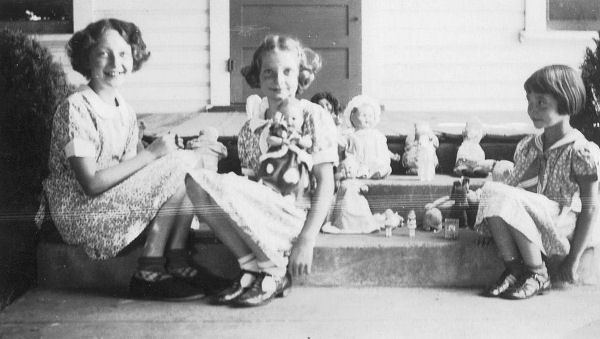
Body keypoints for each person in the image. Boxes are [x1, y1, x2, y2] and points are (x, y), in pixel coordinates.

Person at [41, 18, 229, 301]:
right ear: (87, 58)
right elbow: (90, 183)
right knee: (180, 164)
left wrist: (185, 151)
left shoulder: (124, 111)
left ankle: (177, 262)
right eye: (104, 53)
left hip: (110, 200)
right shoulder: (76, 109)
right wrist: (153, 154)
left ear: (134, 57)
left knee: (189, 164)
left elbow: (135, 173)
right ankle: (148, 272)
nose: (116, 62)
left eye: (124, 53)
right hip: (80, 211)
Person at [185, 34, 338, 307]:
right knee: (194, 181)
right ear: (258, 75)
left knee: (223, 185)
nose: (278, 81)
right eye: (269, 72)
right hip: (263, 213)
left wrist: (307, 239)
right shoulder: (250, 128)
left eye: (288, 71)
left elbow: (326, 182)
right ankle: (250, 267)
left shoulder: (314, 116)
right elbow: (252, 186)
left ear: (301, 74)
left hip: (297, 215)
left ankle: (275, 271)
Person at [475, 65, 600, 299]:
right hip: (536, 214)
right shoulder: (528, 146)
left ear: (567, 100)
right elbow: (509, 187)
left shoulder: (581, 152)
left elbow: (591, 207)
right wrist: (491, 217)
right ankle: (515, 270)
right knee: (492, 190)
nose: (532, 109)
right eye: (529, 101)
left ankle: (538, 273)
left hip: (562, 223)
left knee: (499, 192)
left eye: (541, 102)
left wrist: (572, 260)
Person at [338, 95, 400, 179]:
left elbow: (384, 149)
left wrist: (392, 156)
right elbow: (341, 144)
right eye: (363, 115)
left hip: (373, 162)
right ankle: (361, 175)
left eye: (370, 116)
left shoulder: (377, 135)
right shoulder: (350, 135)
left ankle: (377, 174)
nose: (367, 118)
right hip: (357, 162)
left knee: (384, 166)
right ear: (352, 117)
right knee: (350, 165)